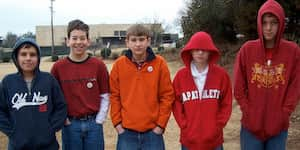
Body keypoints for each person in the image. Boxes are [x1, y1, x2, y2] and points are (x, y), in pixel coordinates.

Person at [234, 0, 300, 150]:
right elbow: (238, 87)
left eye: (273, 22)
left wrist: (284, 114)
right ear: (259, 23)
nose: (268, 28)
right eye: (264, 23)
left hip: (278, 128)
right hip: (251, 128)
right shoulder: (247, 50)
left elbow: (295, 87)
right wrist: (248, 112)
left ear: (281, 23)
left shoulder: (293, 52)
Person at [109, 24, 174, 150]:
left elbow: (167, 96)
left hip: (153, 133)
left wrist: (160, 126)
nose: (138, 44)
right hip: (126, 133)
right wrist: (117, 124)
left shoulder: (160, 64)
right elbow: (114, 96)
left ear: (148, 41)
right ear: (127, 42)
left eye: (141, 39)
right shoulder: (118, 65)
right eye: (133, 40)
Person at [51, 19, 110, 150]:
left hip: (93, 124)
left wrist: (99, 119)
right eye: (74, 38)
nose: (78, 42)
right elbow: (54, 97)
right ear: (67, 41)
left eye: (82, 38)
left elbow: (105, 94)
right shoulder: (58, 67)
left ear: (88, 41)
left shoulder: (98, 65)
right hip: (70, 125)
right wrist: (64, 119)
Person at [0, 38, 67, 150]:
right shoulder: (8, 82)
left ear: (38, 58)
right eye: (23, 54)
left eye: (32, 54)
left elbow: (61, 106)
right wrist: (12, 132)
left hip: (48, 145)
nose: (28, 58)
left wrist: (50, 129)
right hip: (17, 146)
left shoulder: (48, 80)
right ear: (16, 57)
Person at [172, 31, 232, 150]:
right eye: (196, 49)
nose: (200, 52)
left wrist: (218, 125)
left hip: (214, 140)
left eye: (204, 49)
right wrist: (184, 125)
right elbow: (175, 102)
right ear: (190, 51)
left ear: (210, 52)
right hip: (189, 140)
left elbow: (227, 102)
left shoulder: (221, 75)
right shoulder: (181, 76)